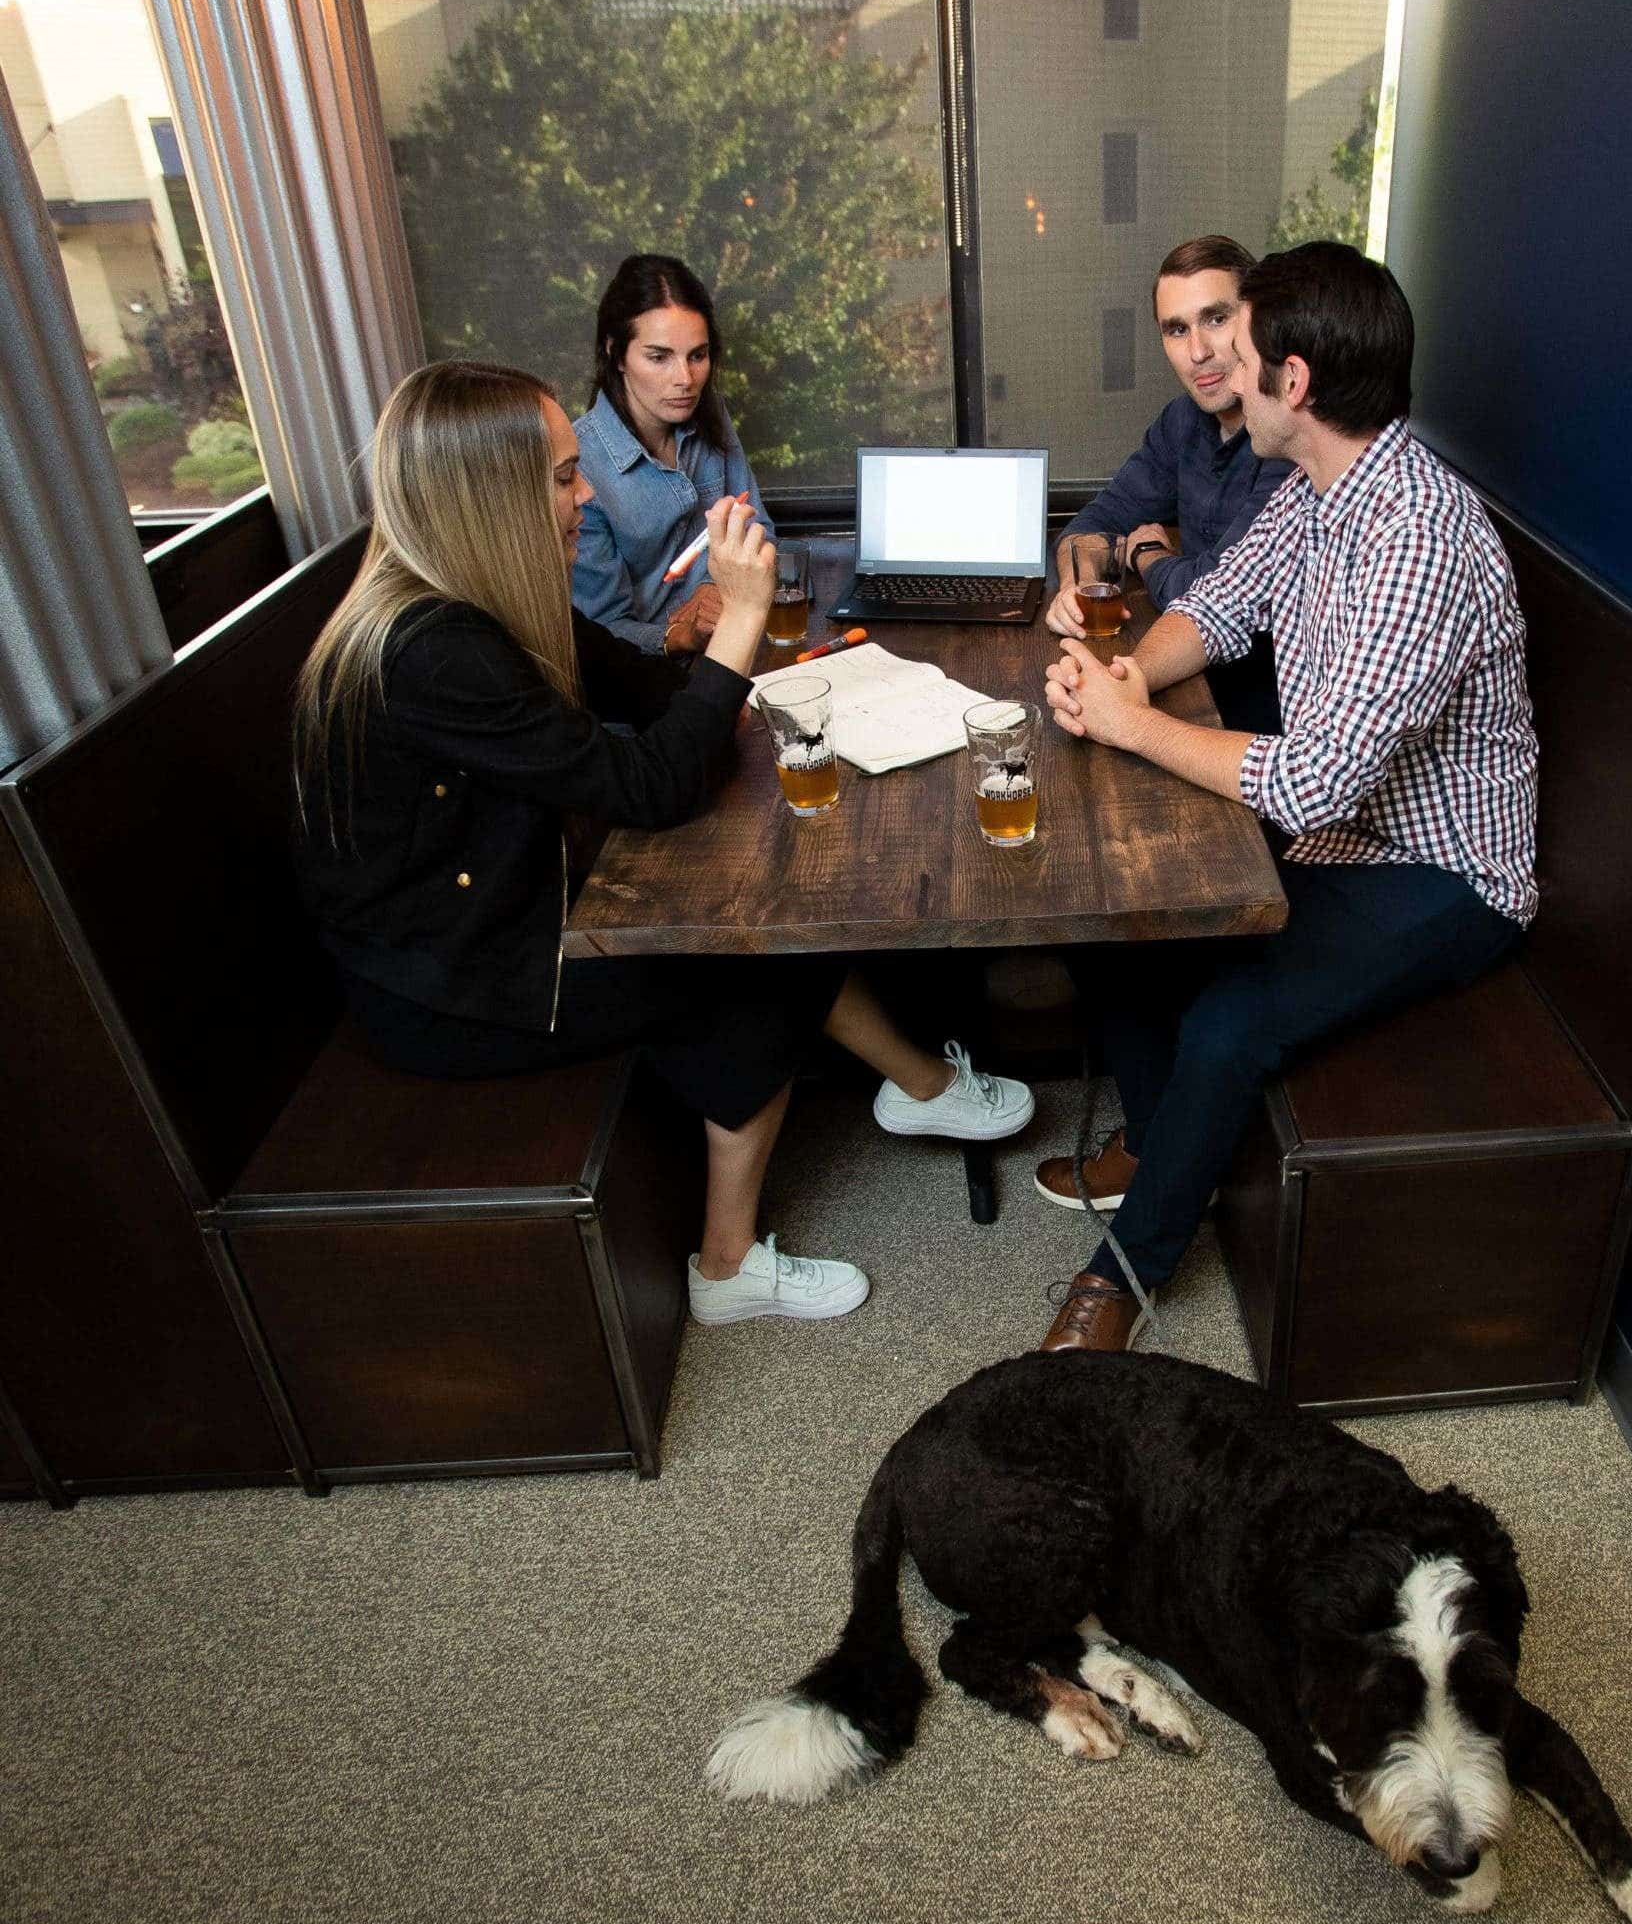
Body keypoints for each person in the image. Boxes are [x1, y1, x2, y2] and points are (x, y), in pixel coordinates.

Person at [293, 360, 1034, 1330]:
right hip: (453, 982)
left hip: (503, 911)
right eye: (564, 476)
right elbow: (652, 787)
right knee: (755, 962)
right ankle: (731, 1263)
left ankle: (918, 1086)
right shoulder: (431, 651)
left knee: (771, 921)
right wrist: (739, 625)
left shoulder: (481, 602)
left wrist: (689, 647)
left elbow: (641, 698)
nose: (587, 493)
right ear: (492, 494)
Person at [1033, 243, 1539, 1352]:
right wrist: (1129, 675)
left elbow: (1312, 777)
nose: (1219, 363)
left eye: (1241, 348)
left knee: (1226, 1020)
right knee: (1112, 928)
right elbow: (1213, 605)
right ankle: (1172, 1147)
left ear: (1292, 381)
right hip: (1333, 828)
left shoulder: (1419, 539)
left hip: (1441, 870)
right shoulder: (1319, 491)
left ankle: (1125, 1272)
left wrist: (1130, 724)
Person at [1045, 235, 1292, 732]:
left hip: (1261, 714)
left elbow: (1217, 588)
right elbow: (1095, 522)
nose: (1197, 351)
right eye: (1176, 330)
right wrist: (1076, 587)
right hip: (1187, 679)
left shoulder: (1287, 438)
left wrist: (1148, 557)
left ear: (1255, 322)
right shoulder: (1182, 422)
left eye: (1216, 320)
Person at [572, 252, 774, 658]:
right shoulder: (578, 465)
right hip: (644, 681)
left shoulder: (710, 410)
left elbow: (762, 530)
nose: (685, 379)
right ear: (616, 355)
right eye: (659, 357)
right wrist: (679, 635)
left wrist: (711, 589)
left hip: (732, 638)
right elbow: (601, 634)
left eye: (697, 356)